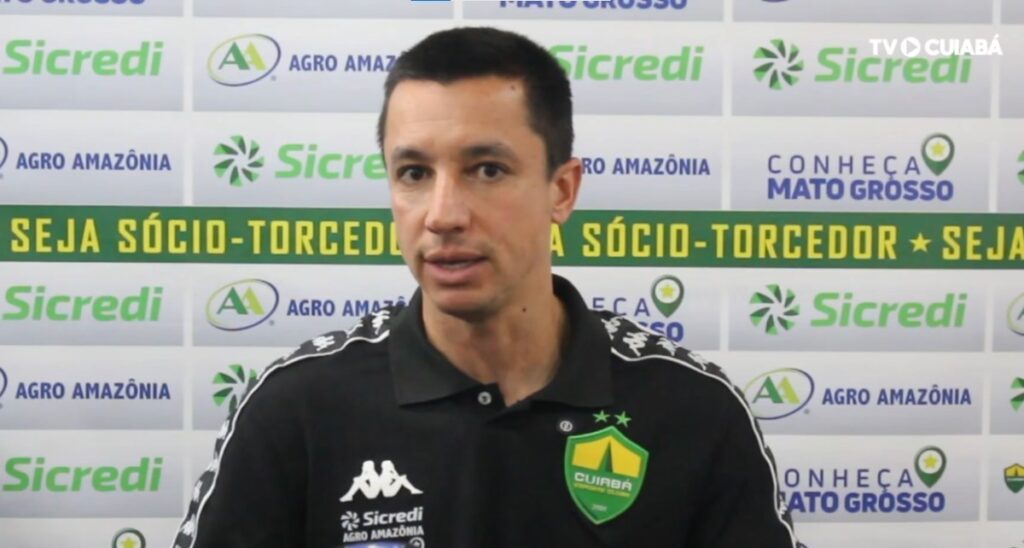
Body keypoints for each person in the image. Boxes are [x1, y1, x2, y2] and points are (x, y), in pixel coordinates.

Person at [173, 27, 798, 548]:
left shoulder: (695, 412)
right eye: (413, 173)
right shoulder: (296, 409)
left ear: (562, 191)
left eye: (487, 170)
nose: (443, 214)